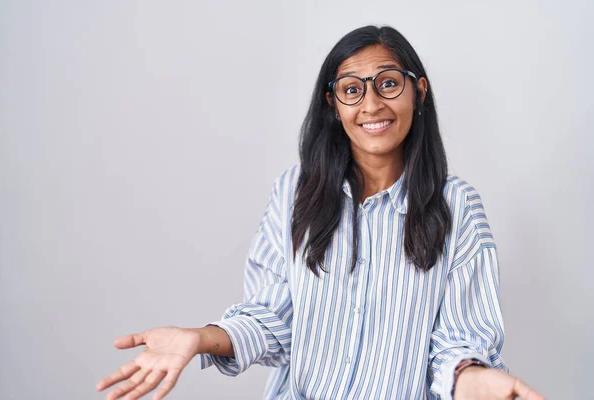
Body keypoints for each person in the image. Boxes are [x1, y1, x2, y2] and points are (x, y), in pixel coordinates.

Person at [96, 25, 545, 400]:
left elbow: (457, 344)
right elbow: (272, 321)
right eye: (352, 90)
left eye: (388, 83)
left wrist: (472, 379)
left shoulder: (457, 207)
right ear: (333, 105)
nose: (371, 105)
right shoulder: (294, 193)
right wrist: (198, 337)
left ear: (418, 91)